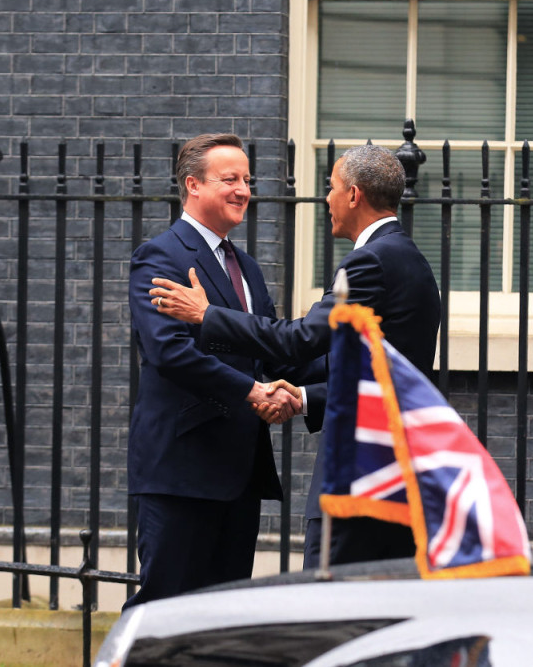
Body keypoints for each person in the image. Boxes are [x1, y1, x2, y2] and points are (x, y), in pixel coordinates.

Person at [149, 144, 441, 568]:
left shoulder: (369, 262)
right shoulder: (410, 258)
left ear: (354, 195)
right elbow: (375, 373)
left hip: (357, 478)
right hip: (395, 475)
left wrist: (207, 314)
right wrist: (302, 397)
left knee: (326, 610)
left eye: (332, 188)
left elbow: (300, 340)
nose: (327, 199)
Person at [125, 133, 322, 610]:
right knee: (163, 611)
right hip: (182, 471)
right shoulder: (161, 256)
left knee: (218, 615)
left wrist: (322, 379)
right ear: (192, 185)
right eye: (229, 179)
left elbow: (270, 354)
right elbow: (169, 352)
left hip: (238, 473)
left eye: (248, 180)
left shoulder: (247, 268)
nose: (243, 190)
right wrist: (253, 392)